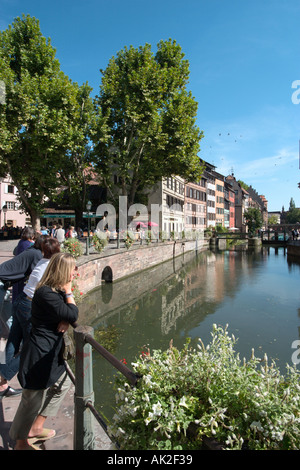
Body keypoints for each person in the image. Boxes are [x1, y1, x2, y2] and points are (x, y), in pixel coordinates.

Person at [9, 252, 78, 450]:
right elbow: (73, 312)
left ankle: (36, 427)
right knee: (31, 399)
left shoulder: (54, 292)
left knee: (64, 383)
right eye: (74, 268)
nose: (76, 272)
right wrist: (69, 293)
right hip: (38, 355)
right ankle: (20, 442)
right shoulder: (46, 293)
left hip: (51, 354)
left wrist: (64, 316)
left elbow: (68, 314)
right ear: (63, 271)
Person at [0, 238, 61, 396]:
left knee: (13, 340)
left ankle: (2, 379)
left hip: (21, 300)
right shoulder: (50, 265)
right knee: (31, 347)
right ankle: (3, 377)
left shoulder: (41, 260)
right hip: (29, 306)